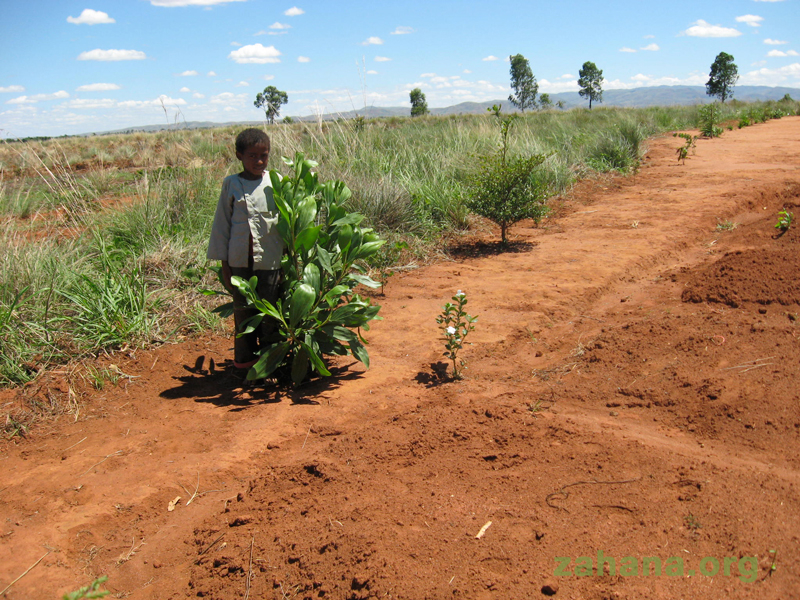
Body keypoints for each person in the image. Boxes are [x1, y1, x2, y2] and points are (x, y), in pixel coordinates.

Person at [207, 128, 284, 370]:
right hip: (240, 263)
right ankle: (245, 367)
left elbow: (287, 224)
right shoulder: (231, 184)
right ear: (239, 155)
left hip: (270, 263)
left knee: (271, 316)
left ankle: (271, 365)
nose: (259, 161)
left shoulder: (277, 182)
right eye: (252, 155)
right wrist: (225, 266)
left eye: (264, 155)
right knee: (243, 316)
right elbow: (223, 226)